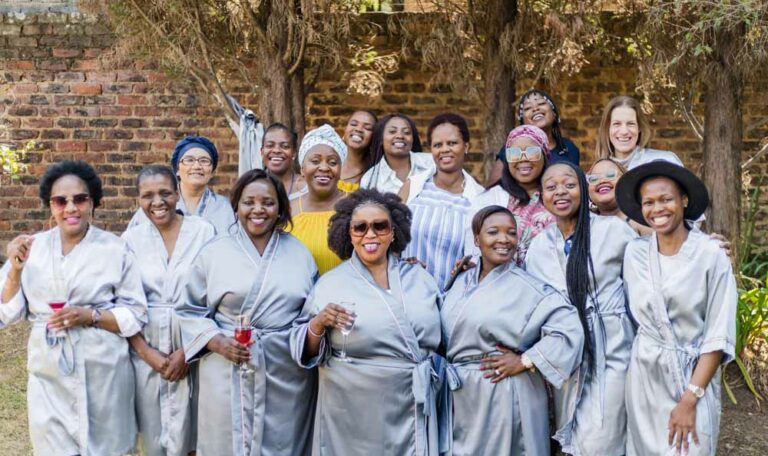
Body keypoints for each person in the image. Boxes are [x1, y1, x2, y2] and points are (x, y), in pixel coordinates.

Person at [0, 160, 148, 455]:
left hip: (104, 370)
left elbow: (136, 314)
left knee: (108, 448)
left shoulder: (115, 248)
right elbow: (6, 313)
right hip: (48, 371)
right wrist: (15, 271)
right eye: (60, 201)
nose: (71, 208)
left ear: (93, 202)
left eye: (80, 199)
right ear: (50, 205)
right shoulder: (32, 248)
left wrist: (90, 316)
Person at [290, 189, 443, 456]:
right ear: (348, 234)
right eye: (360, 228)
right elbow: (304, 349)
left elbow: (448, 334)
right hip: (350, 410)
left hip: (410, 401)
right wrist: (318, 323)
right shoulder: (330, 284)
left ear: (393, 232)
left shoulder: (420, 278)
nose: (370, 234)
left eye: (379, 226)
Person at [176, 169, 317, 456]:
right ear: (236, 206)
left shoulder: (300, 254)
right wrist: (217, 342)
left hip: (284, 370)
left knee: (282, 443)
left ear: (280, 208)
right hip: (225, 365)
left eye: (268, 202)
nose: (258, 209)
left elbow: (309, 317)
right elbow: (188, 309)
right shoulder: (214, 252)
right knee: (224, 443)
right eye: (248, 202)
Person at [441, 205, 584, 455]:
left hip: (504, 391)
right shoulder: (461, 280)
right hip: (462, 395)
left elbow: (569, 330)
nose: (504, 239)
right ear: (476, 239)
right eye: (493, 232)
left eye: (511, 233)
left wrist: (526, 360)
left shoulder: (528, 287)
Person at [616, 161, 736, 456]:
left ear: (684, 200)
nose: (657, 208)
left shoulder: (711, 254)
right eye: (649, 202)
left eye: (666, 199)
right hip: (644, 378)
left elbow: (718, 335)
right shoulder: (634, 254)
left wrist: (689, 399)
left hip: (692, 377)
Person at [526, 161, 638, 455]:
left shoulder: (614, 232)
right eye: (551, 187)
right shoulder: (538, 247)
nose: (560, 191)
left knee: (600, 437)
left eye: (569, 184)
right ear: (542, 196)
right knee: (575, 436)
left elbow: (646, 280)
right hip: (568, 354)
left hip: (613, 349)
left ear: (583, 190)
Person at [122, 165, 216, 456]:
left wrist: (188, 351)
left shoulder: (203, 231)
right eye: (147, 195)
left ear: (177, 193)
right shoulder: (131, 240)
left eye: (164, 193)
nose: (157, 202)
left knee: (195, 435)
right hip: (147, 350)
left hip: (195, 345)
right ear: (139, 199)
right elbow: (122, 304)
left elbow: (214, 295)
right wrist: (146, 353)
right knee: (153, 438)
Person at [399, 113, 484, 290]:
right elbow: (391, 237)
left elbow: (480, 257)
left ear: (466, 146)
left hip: (454, 296)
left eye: (452, 143)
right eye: (438, 145)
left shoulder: (479, 199)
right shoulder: (413, 187)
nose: (445, 149)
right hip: (408, 291)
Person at [465, 125, 554, 265]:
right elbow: (473, 255)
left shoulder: (557, 197)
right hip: (501, 277)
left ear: (545, 156)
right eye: (514, 153)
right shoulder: (487, 200)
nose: (523, 159)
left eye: (532, 152)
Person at [128, 135, 236, 235]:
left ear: (212, 171)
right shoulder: (157, 207)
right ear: (177, 170)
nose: (197, 166)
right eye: (189, 160)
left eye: (204, 161)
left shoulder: (225, 208)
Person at [288, 124, 347, 274]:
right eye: (315, 161)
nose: (324, 167)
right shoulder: (287, 211)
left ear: (341, 169)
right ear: (302, 169)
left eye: (332, 162)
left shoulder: (357, 206)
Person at [488, 89, 580, 183]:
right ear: (523, 121)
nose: (535, 109)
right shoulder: (513, 149)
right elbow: (494, 188)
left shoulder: (568, 148)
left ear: (554, 113)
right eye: (528, 108)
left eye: (541, 103)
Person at [597, 95, 683, 169]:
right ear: (607, 128)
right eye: (617, 124)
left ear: (639, 128)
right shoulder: (598, 173)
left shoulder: (666, 161)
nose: (624, 131)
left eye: (631, 124)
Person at [360, 113, 435, 194]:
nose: (400, 136)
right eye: (392, 131)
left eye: (406, 132)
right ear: (381, 139)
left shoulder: (432, 162)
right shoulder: (369, 179)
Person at [587, 157, 653, 236]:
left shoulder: (642, 222)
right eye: (593, 179)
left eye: (610, 175)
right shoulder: (585, 225)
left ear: (626, 183)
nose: (602, 181)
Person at [261, 122, 306, 200]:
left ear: (294, 153)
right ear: (262, 152)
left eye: (285, 146)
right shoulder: (252, 185)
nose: (276, 150)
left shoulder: (306, 187)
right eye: (270, 145)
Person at [339, 110, 378, 193]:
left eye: (367, 128)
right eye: (353, 124)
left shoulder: (374, 175)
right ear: (345, 130)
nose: (358, 129)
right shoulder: (331, 164)